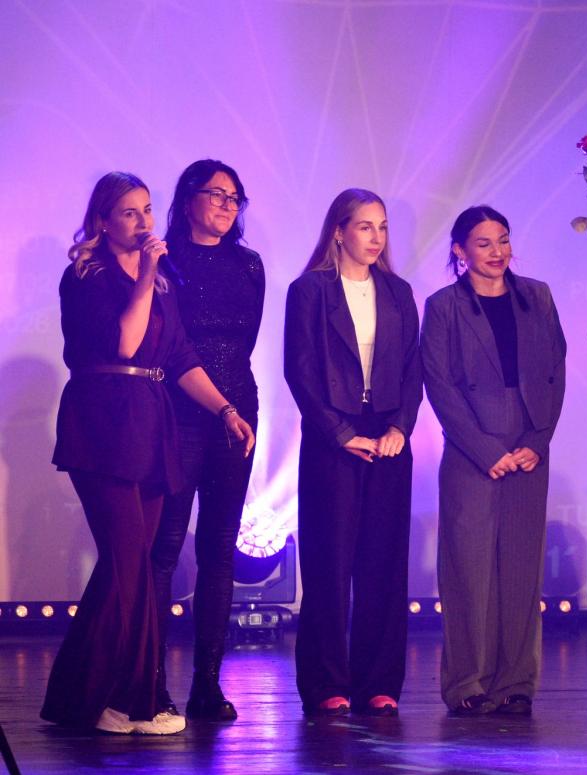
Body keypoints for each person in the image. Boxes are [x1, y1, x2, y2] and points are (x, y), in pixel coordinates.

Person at [43, 171, 254, 735]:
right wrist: (144, 278)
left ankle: (76, 697)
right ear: (103, 221)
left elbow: (180, 356)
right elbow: (125, 342)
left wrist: (225, 410)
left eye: (147, 210)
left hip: (150, 423)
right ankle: (132, 702)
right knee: (131, 562)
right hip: (103, 421)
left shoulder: (160, 281)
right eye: (129, 212)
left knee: (124, 567)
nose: (143, 222)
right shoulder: (86, 275)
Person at [421, 206, 566, 717]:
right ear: (459, 251)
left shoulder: (537, 296)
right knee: (468, 569)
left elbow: (554, 372)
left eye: (503, 240)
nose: (497, 251)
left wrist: (538, 440)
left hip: (528, 447)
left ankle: (516, 682)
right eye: (483, 243)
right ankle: (468, 682)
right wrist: (485, 450)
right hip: (471, 450)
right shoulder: (444, 307)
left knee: (521, 569)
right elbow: (439, 385)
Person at [283, 188, 422, 717]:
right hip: (333, 439)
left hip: (387, 436)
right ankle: (326, 683)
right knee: (329, 561)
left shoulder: (398, 291)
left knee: (383, 563)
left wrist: (400, 427)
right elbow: (300, 371)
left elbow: (412, 370)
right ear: (339, 231)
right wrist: (340, 433)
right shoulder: (310, 290)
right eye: (365, 226)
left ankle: (379, 682)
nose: (376, 237)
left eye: (382, 226)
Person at [150, 159, 265, 721]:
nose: (226, 204)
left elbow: (245, 341)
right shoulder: (163, 259)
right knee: (166, 546)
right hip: (178, 413)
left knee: (219, 548)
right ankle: (149, 682)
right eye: (216, 194)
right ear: (188, 198)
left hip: (238, 412)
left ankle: (206, 685)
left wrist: (232, 406)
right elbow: (167, 343)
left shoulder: (249, 264)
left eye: (234, 197)